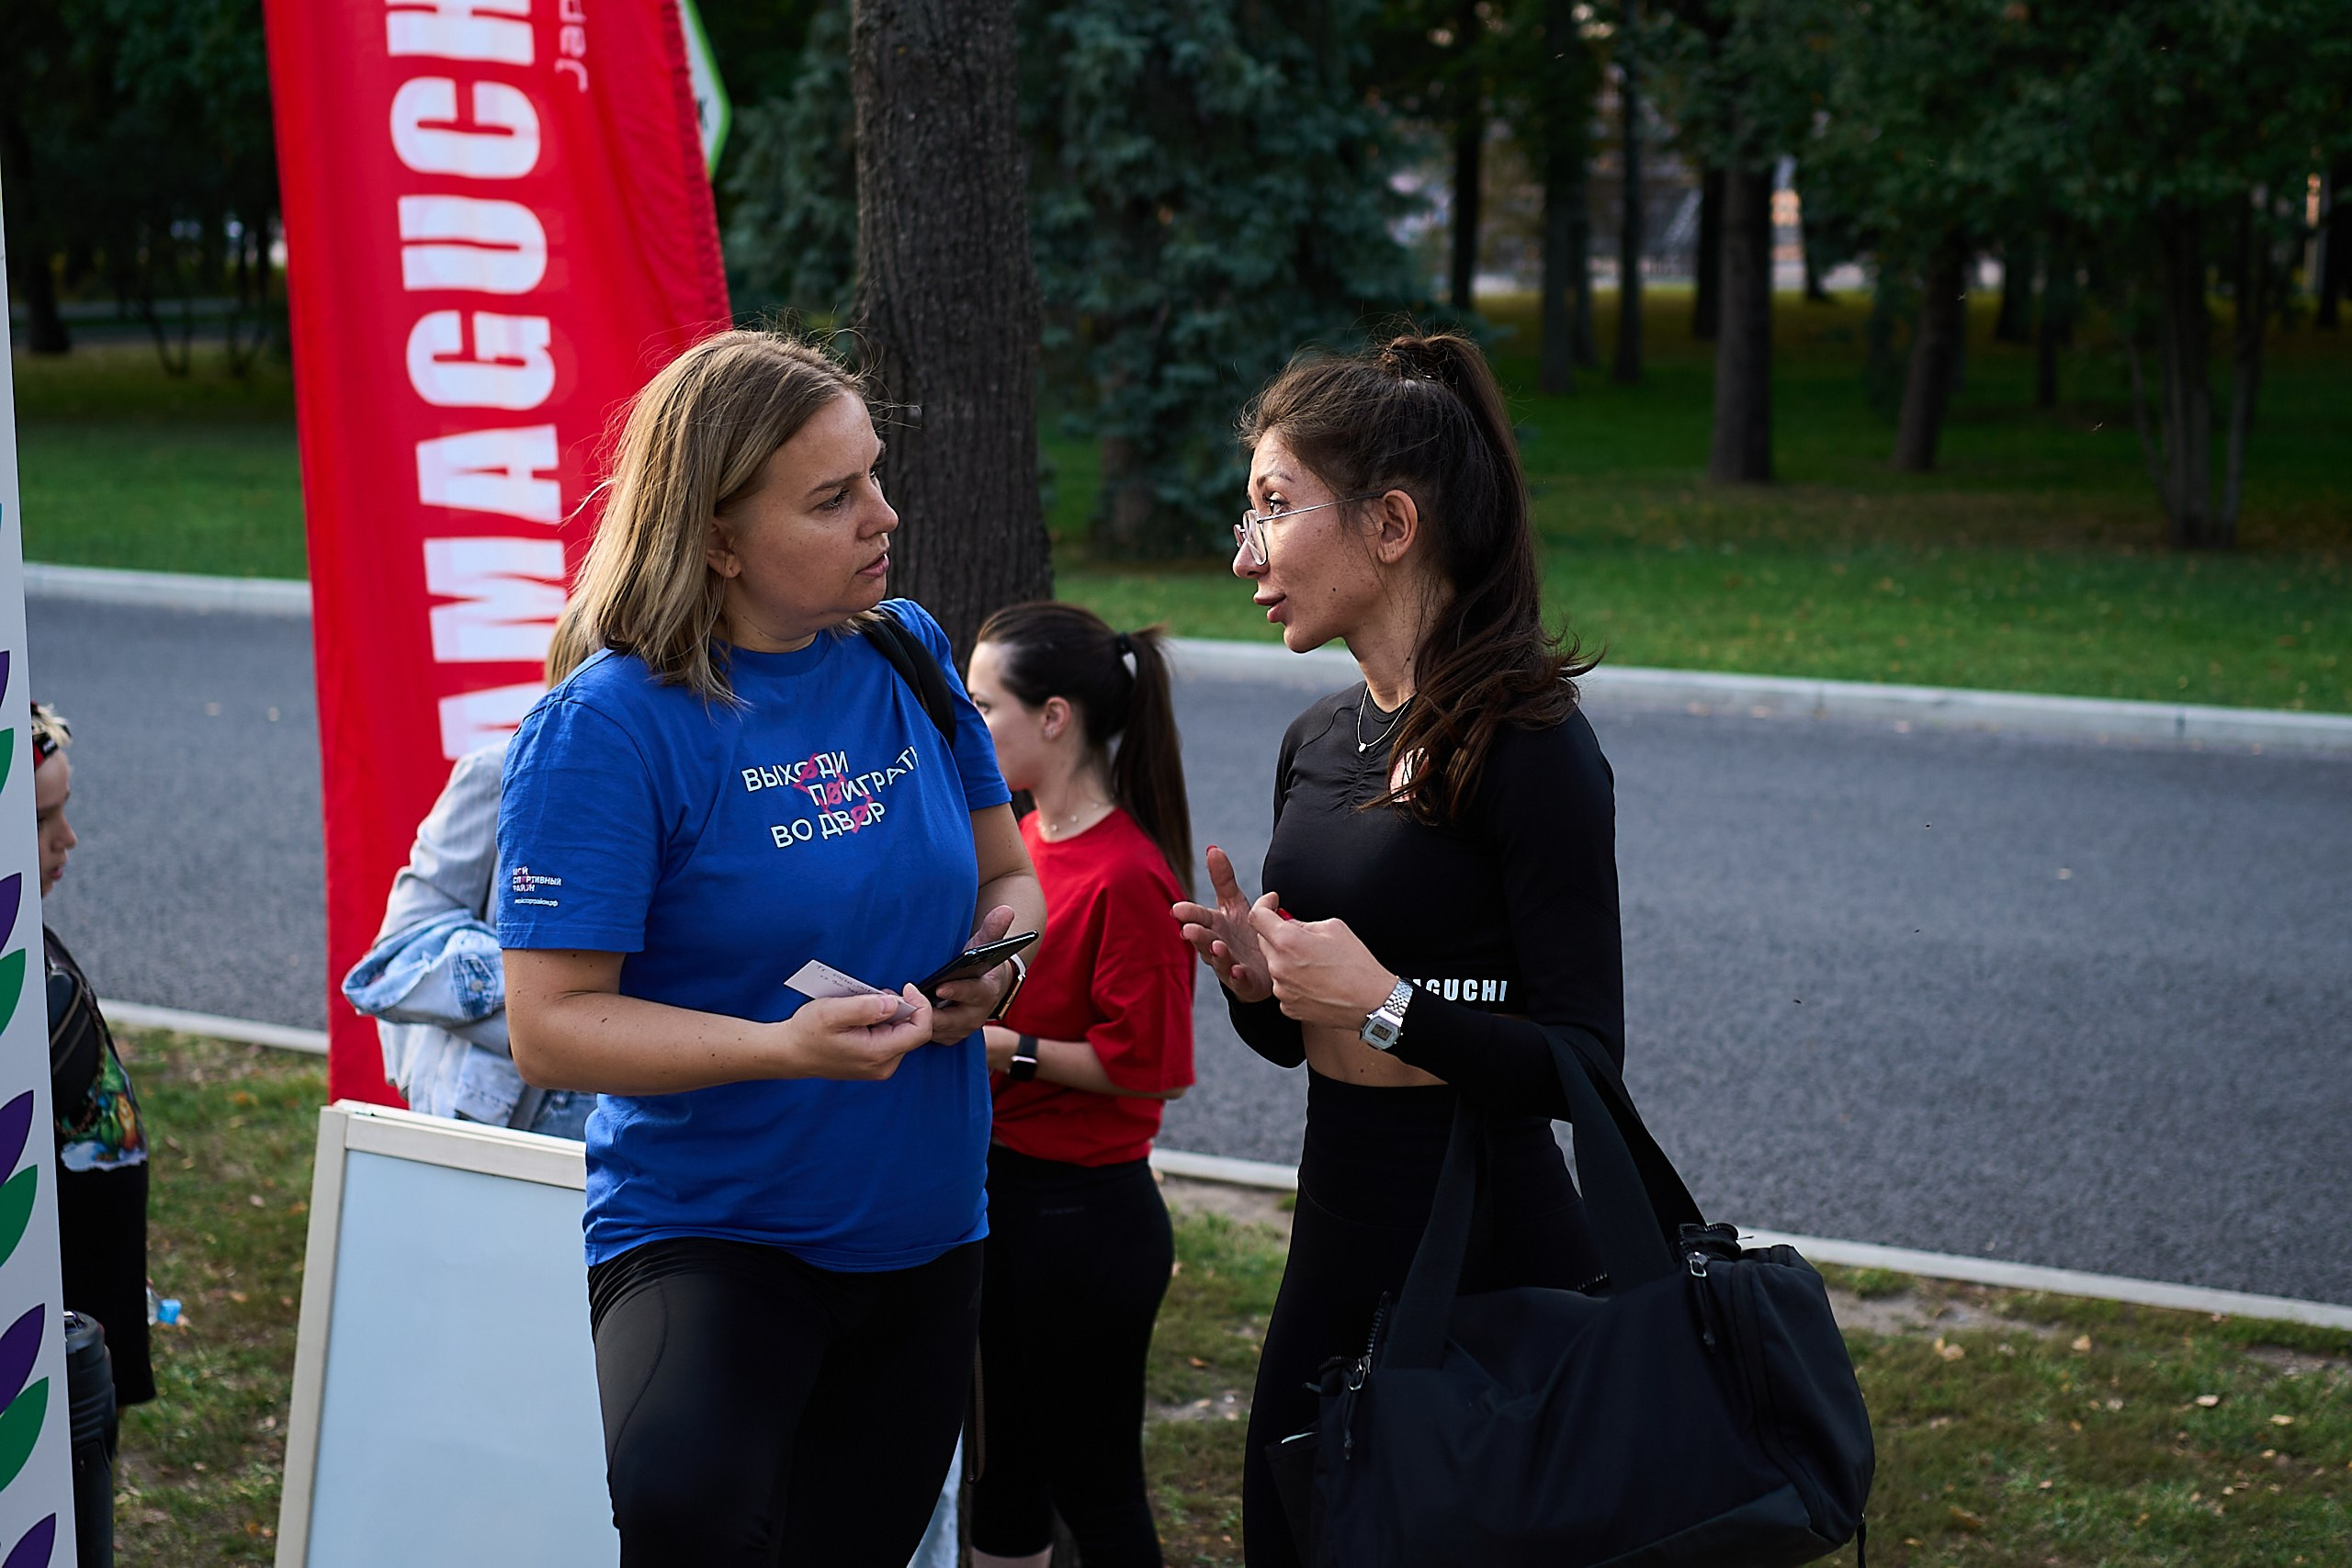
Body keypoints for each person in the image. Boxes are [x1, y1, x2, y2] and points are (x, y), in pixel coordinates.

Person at [495, 330, 1046, 1568]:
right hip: (716, 1230)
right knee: (689, 1511)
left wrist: (992, 969)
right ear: (717, 537)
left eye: (876, 475)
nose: (883, 514)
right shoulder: (611, 725)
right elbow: (552, 1019)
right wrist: (780, 1047)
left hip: (925, 1232)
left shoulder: (905, 647)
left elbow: (1010, 875)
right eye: (834, 495)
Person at [1171, 332, 1621, 1568]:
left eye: (1273, 504)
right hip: (1340, 1216)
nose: (1242, 552)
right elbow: (1296, 1029)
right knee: (1291, 1527)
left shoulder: (1535, 746)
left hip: (1493, 1248)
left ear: (1392, 524)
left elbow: (1586, 1063)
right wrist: (1265, 989)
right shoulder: (1316, 738)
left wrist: (1387, 1004)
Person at [962, 604, 1196, 1568]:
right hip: (1006, 1201)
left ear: (1053, 716)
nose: (969, 729)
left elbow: (1145, 1070)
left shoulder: (1125, 875)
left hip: (1084, 1223)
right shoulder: (1022, 843)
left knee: (1096, 1494)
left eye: (984, 707)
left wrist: (999, 1047)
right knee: (1006, 1480)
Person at [342, 607, 601, 1138]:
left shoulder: (687, 799)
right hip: (512, 1110)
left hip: (639, 1113)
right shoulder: (501, 776)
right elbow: (399, 953)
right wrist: (556, 1005)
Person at [35, 701, 156, 1409]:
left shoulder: (33, 944)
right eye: (41, 821)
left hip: (85, 1309)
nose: (67, 839)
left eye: (65, 812)